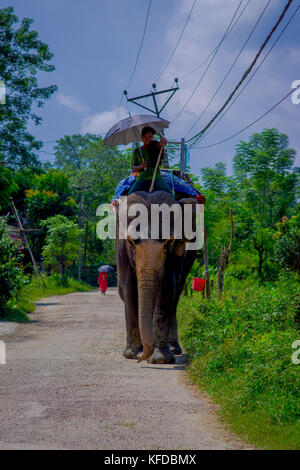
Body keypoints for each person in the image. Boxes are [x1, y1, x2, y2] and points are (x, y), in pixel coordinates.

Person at [128, 126, 172, 195]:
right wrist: (141, 166)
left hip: (156, 178)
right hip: (142, 178)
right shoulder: (137, 151)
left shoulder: (155, 146)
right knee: (131, 193)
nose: (147, 139)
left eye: (150, 137)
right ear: (142, 138)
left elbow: (161, 144)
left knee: (169, 192)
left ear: (152, 137)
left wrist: (163, 141)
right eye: (145, 137)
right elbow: (133, 168)